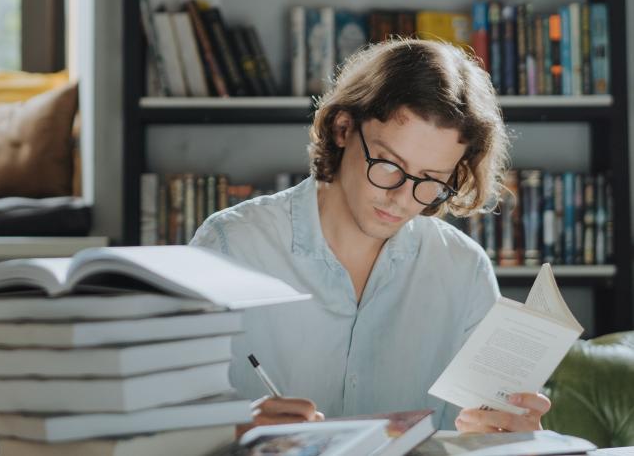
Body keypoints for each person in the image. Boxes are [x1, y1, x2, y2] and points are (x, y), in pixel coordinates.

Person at [189, 39, 551, 433]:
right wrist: (232, 429)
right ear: (343, 128)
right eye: (389, 164)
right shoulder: (229, 246)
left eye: (430, 180)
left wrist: (509, 434)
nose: (399, 197)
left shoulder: (463, 270)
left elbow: (487, 433)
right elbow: (162, 426)